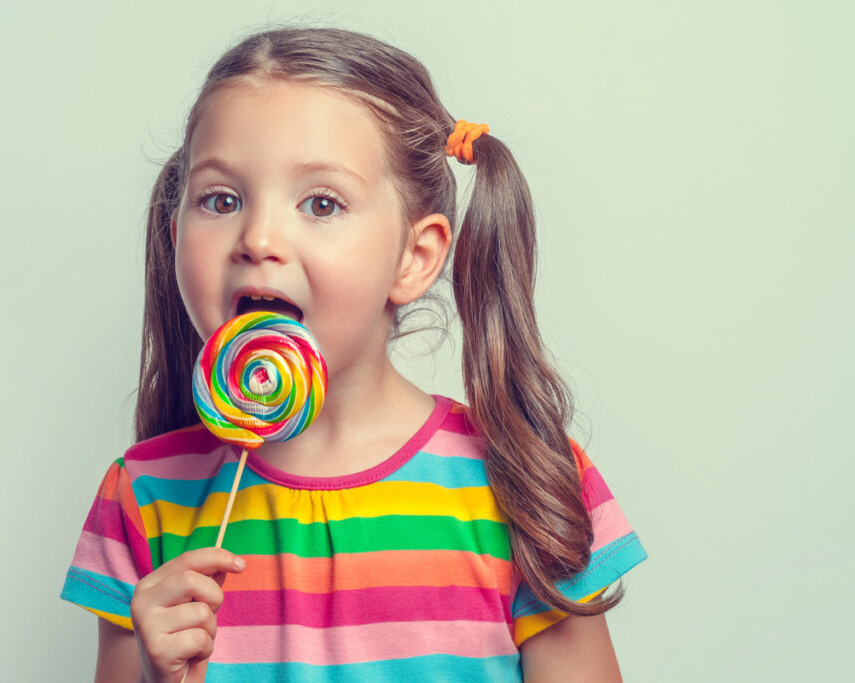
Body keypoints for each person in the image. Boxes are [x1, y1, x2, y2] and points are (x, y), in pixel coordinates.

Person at [61, 27, 646, 683]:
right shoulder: (142, 497)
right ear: (176, 235)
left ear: (414, 257)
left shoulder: (525, 479)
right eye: (221, 200)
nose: (257, 237)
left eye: (321, 203)